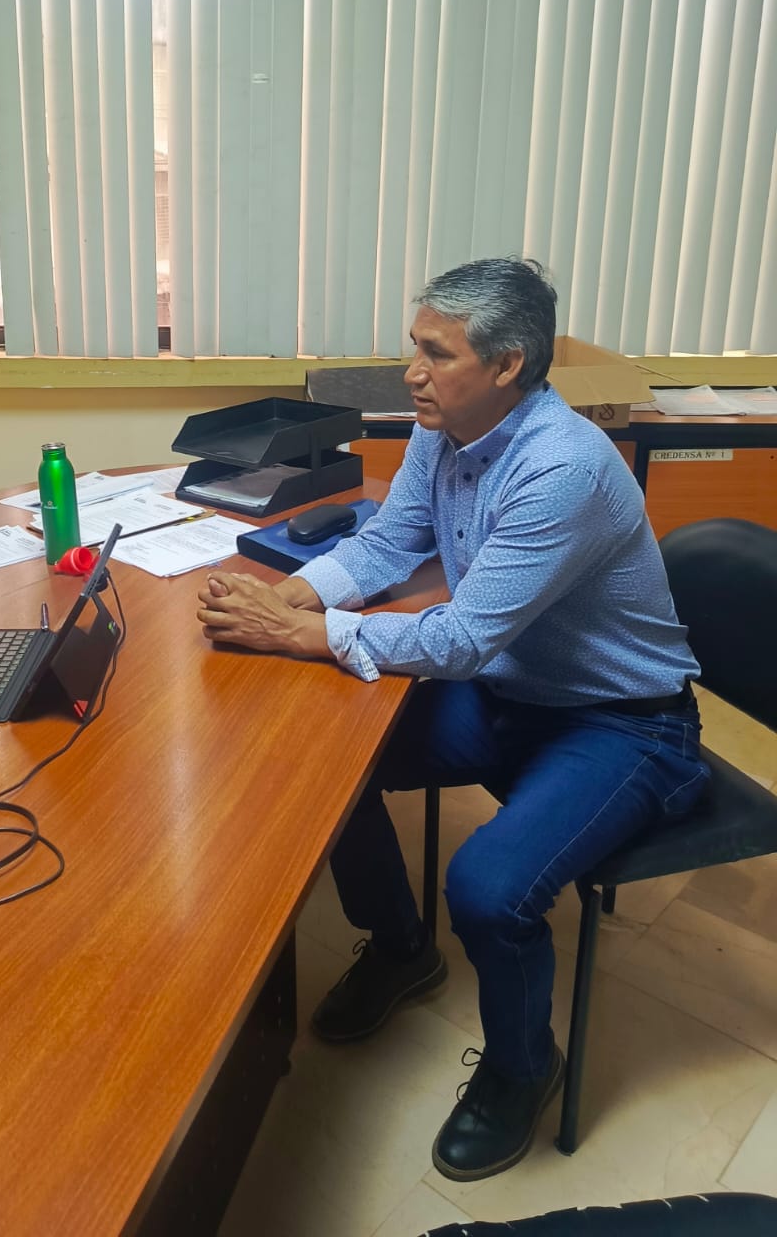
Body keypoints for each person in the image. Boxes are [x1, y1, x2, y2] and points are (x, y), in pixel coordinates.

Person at [196, 257, 709, 1182]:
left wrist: (308, 635)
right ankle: (401, 949)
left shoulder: (562, 469)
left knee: (486, 888)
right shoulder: (447, 430)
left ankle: (523, 1067)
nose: (413, 372)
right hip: (517, 694)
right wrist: (289, 600)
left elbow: (464, 638)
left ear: (508, 364)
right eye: (416, 347)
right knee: (328, 759)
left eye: (437, 353)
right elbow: (390, 542)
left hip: (625, 725)